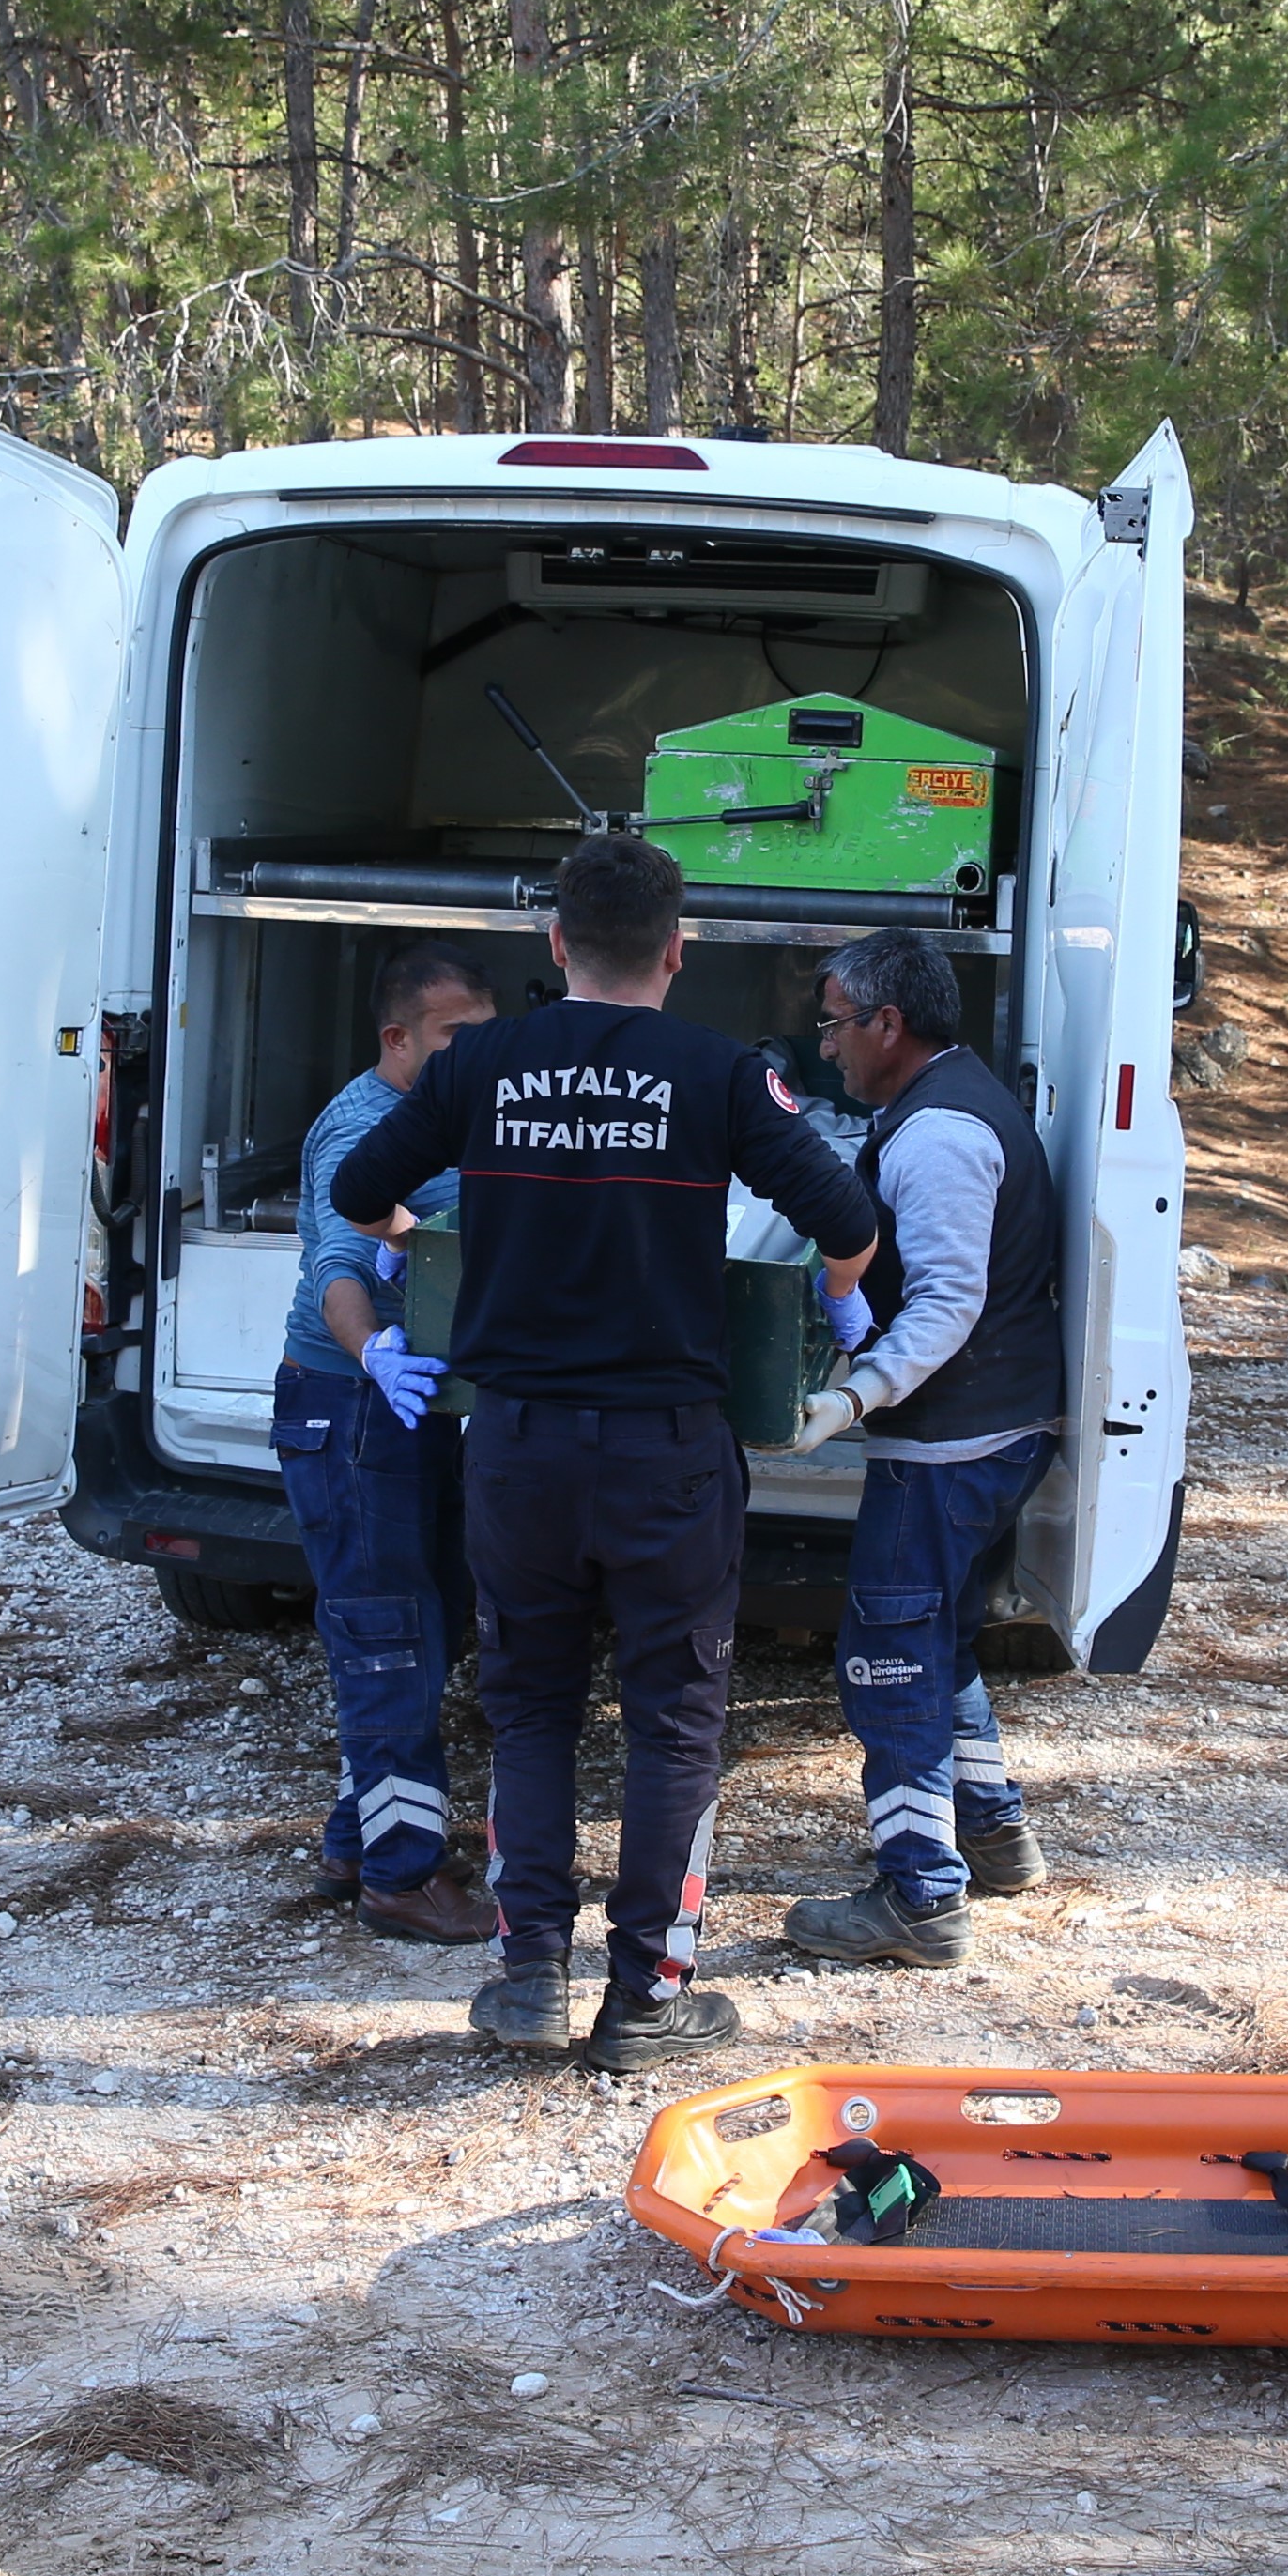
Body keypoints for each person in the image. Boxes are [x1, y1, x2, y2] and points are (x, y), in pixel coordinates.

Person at [331, 831, 878, 2072]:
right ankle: (647, 1998)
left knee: (527, 1708)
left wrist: (420, 1242)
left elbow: (363, 1190)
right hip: (665, 1456)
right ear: (677, 952)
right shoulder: (716, 1073)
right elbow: (845, 1221)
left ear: (555, 943)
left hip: (515, 1448)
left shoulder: (481, 1065)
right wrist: (843, 1309)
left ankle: (528, 1975)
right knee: (673, 1720)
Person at [774, 928, 1066, 1969]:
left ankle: (918, 1893)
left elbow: (947, 1300)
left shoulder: (939, 1135)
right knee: (938, 1637)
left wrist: (855, 1393)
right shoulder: (946, 1099)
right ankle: (991, 1828)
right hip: (992, 1423)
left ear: (887, 1024)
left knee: (887, 1656)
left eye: (836, 1024)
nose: (829, 1045)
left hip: (955, 1439)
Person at [278, 941, 496, 1944]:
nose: (475, 1052)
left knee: (427, 1619)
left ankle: (355, 1840)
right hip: (355, 1403)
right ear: (398, 1038)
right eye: (457, 1035)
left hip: (421, 1409)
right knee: (387, 1639)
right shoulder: (364, 1126)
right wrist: (371, 1353)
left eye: (485, 1035)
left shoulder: (452, 1115)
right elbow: (338, 1264)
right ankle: (402, 1880)